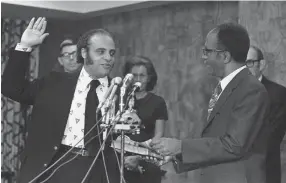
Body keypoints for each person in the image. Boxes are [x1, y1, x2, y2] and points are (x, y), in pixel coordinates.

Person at [2, 17, 119, 183]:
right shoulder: (54, 82)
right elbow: (11, 88)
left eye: (111, 53)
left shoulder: (119, 91)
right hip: (54, 165)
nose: (108, 57)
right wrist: (25, 46)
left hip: (98, 171)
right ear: (84, 53)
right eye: (100, 52)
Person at [150, 22, 271, 183]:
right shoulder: (225, 88)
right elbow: (216, 142)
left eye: (207, 51)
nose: (203, 57)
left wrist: (181, 146)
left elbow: (234, 145)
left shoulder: (251, 89)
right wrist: (175, 157)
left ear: (225, 56)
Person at [121, 56, 168, 183]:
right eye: (134, 75)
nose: (137, 79)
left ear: (149, 78)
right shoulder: (119, 99)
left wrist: (138, 158)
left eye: (142, 76)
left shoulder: (158, 102)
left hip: (145, 158)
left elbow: (158, 137)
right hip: (117, 157)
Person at [246, 45, 286, 183]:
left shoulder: (279, 94)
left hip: (264, 172)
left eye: (249, 62)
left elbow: (272, 137)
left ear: (261, 64)